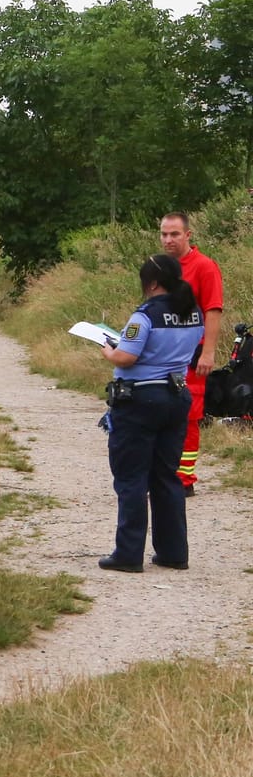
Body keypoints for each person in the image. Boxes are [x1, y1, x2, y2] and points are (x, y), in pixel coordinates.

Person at [97, 254, 205, 573]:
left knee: (131, 477)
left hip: (140, 400)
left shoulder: (144, 316)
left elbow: (126, 358)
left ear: (153, 283)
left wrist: (108, 351)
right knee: (166, 476)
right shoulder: (192, 312)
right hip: (176, 396)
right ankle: (173, 552)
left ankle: (128, 554)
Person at [158, 212, 224, 495]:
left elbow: (213, 309)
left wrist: (208, 352)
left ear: (188, 235)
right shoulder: (162, 268)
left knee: (189, 414)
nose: (168, 239)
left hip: (192, 354)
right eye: (164, 234)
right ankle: (164, 474)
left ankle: (184, 479)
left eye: (174, 234)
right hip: (163, 355)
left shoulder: (204, 267)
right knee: (163, 412)